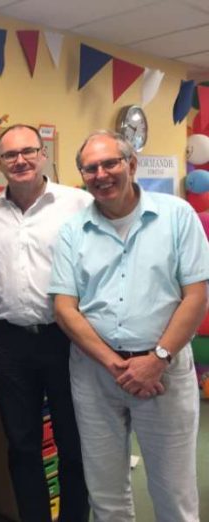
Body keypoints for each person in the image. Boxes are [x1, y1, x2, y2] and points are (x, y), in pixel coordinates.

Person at [49, 130, 209, 522]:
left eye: (110, 163)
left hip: (164, 373)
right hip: (94, 375)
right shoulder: (73, 231)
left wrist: (156, 359)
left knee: (173, 493)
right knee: (105, 493)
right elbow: (65, 308)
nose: (101, 174)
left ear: (131, 164)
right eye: (90, 168)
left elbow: (196, 296)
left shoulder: (177, 216)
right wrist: (112, 362)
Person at [0, 124, 90, 522]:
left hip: (67, 338)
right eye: (9, 155)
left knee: (73, 442)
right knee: (21, 445)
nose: (19, 160)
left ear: (43, 155)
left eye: (27, 152)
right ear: (0, 164)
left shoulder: (77, 203)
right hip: (9, 342)